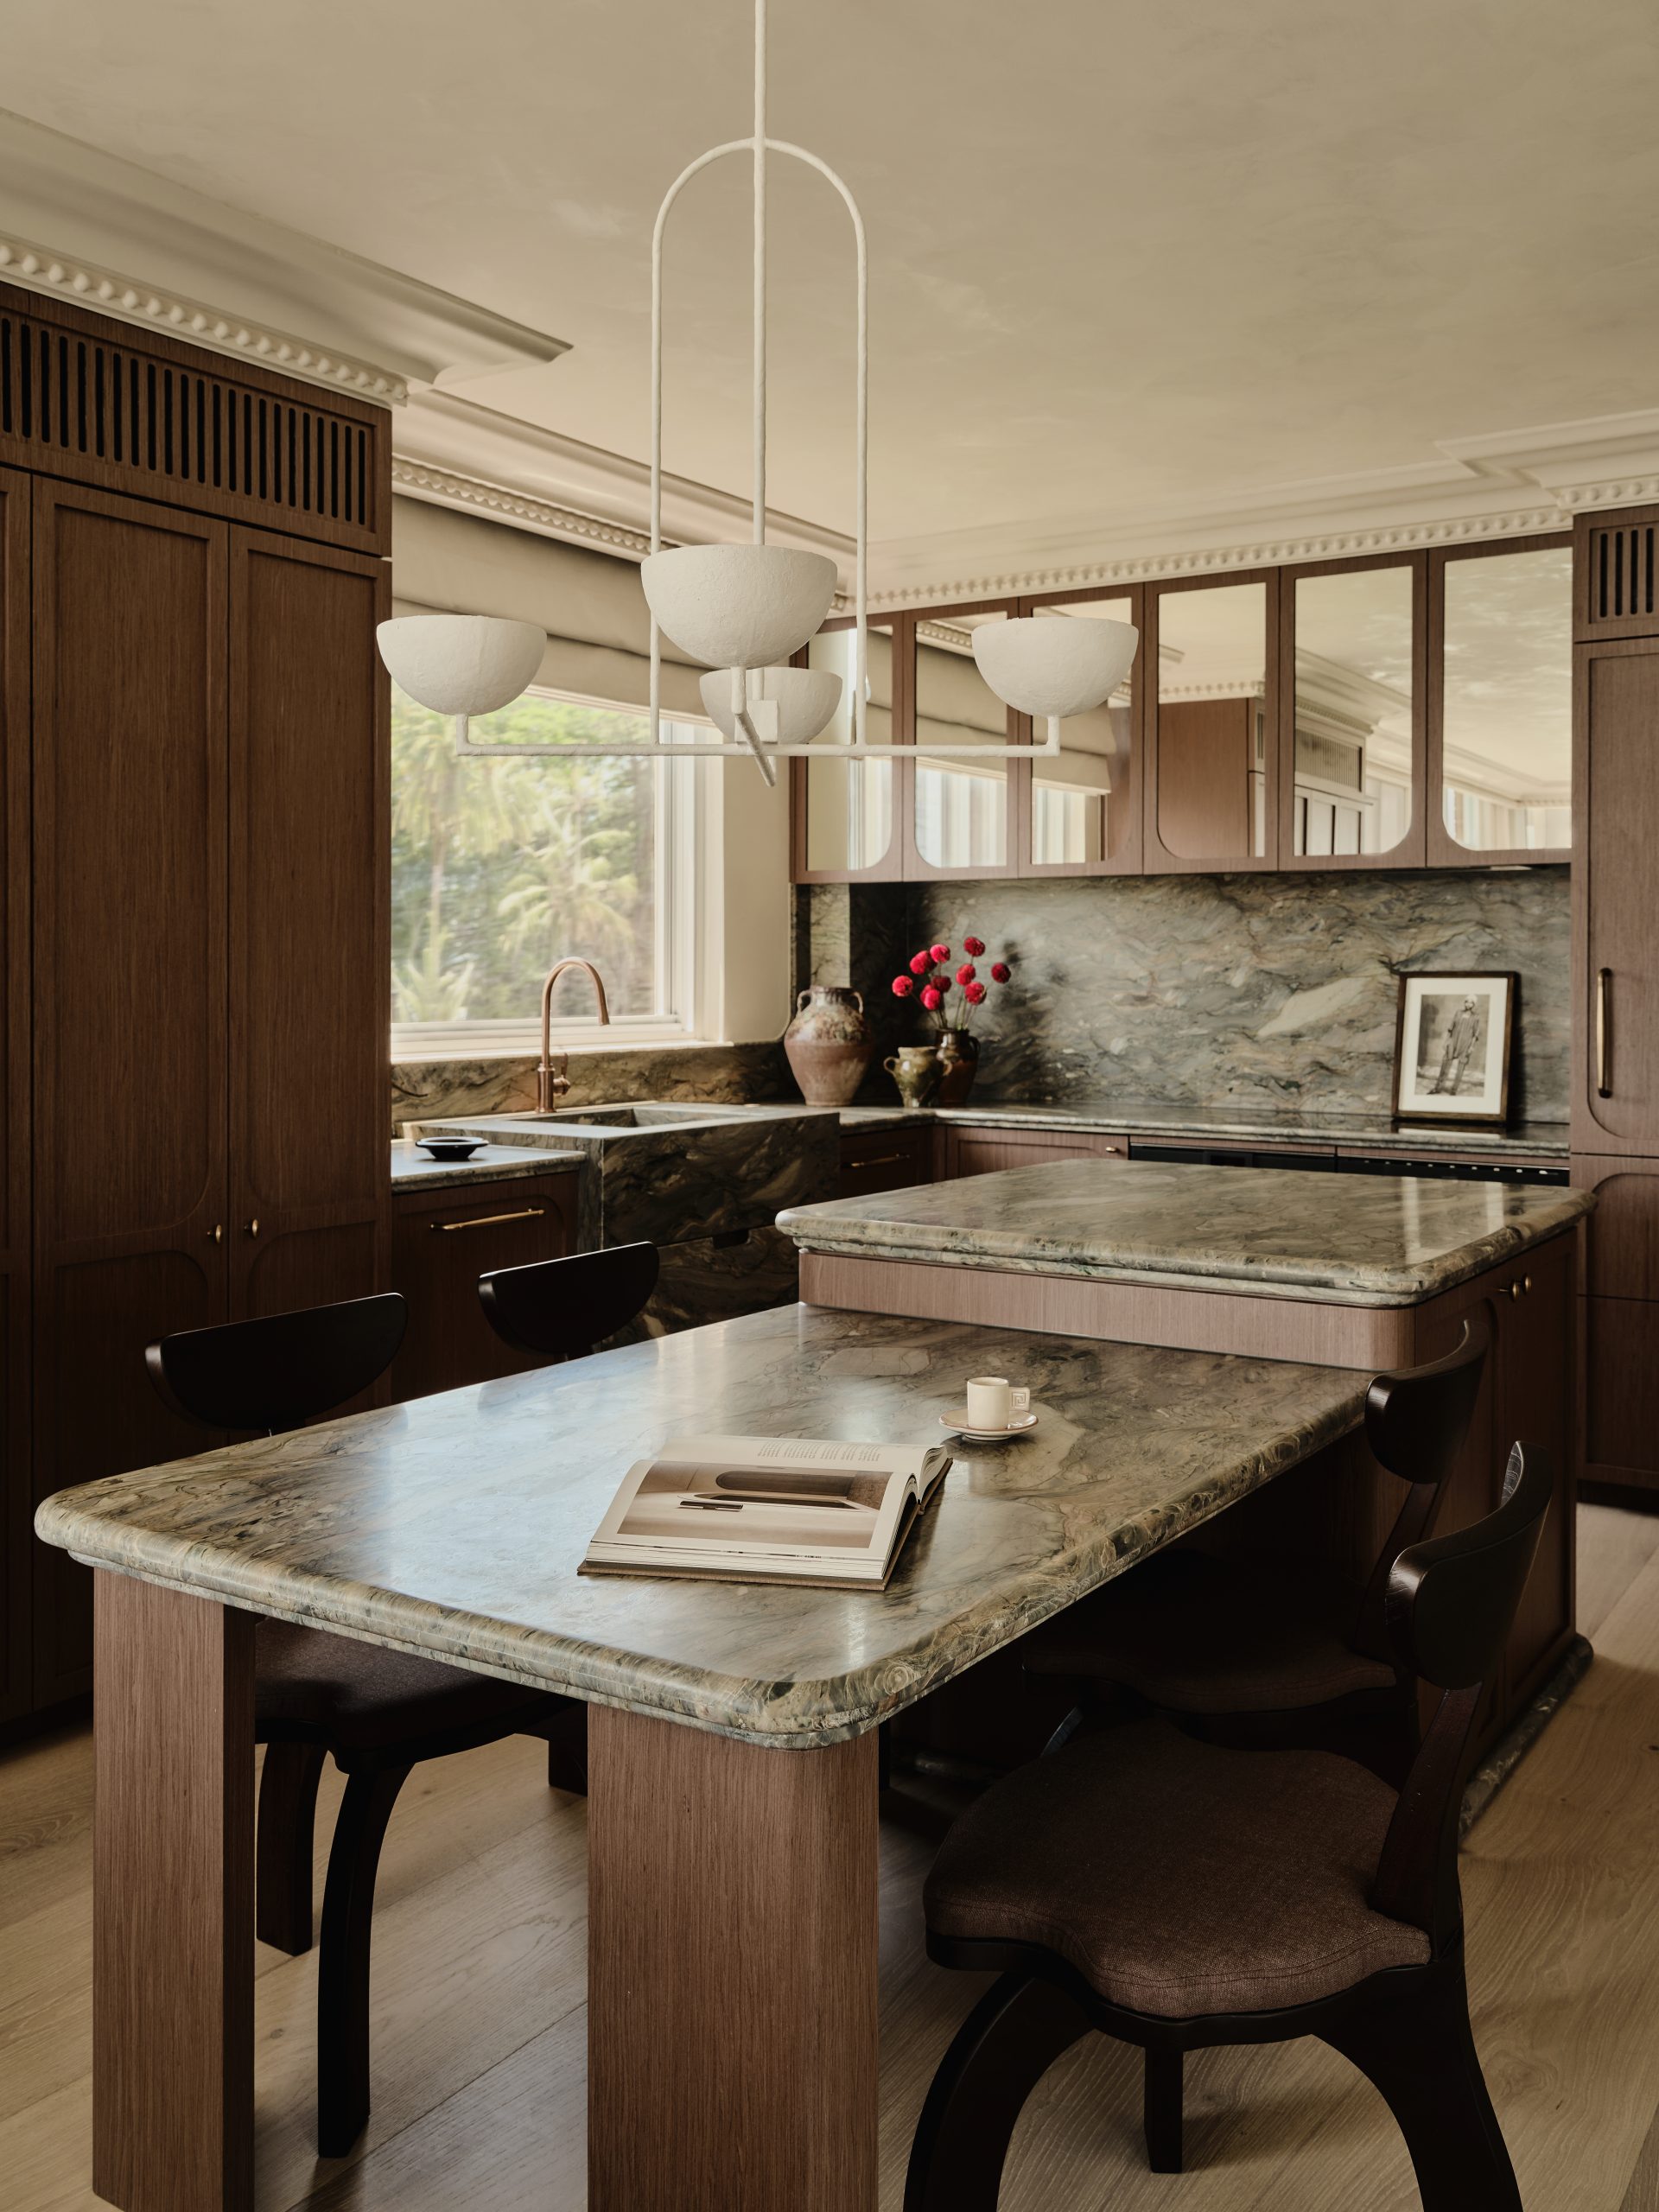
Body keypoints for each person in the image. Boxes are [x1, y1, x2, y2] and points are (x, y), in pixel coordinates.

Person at [1431, 995, 1484, 1095]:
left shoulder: (1475, 1017)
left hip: (1465, 1044)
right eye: (1467, 1002)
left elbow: (1475, 1034)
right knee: (1445, 1064)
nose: (1468, 1004)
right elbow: (1451, 1028)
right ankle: (1438, 1088)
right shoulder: (1458, 1013)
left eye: (1471, 1002)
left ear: (1474, 1004)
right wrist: (1447, 1041)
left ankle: (1454, 1090)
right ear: (1464, 1002)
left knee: (1461, 1067)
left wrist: (1471, 1047)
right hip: (1453, 1042)